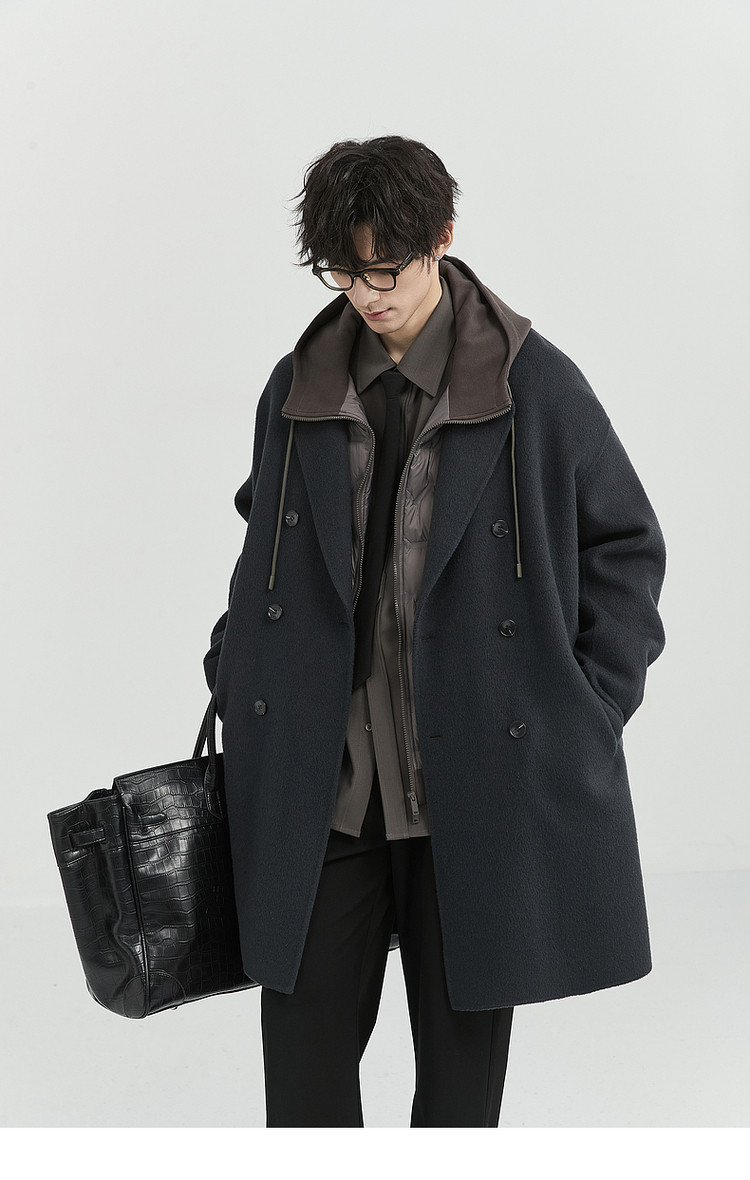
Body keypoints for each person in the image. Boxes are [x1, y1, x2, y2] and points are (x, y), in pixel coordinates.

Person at [203, 135, 668, 1127]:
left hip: (478, 788)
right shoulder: (298, 386)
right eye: (345, 270)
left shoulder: (535, 384)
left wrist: (586, 706)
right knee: (303, 1083)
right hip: (328, 787)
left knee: (459, 1098)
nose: (367, 294)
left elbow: (626, 545)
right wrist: (236, 666)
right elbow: (265, 543)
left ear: (443, 239)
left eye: (388, 269)